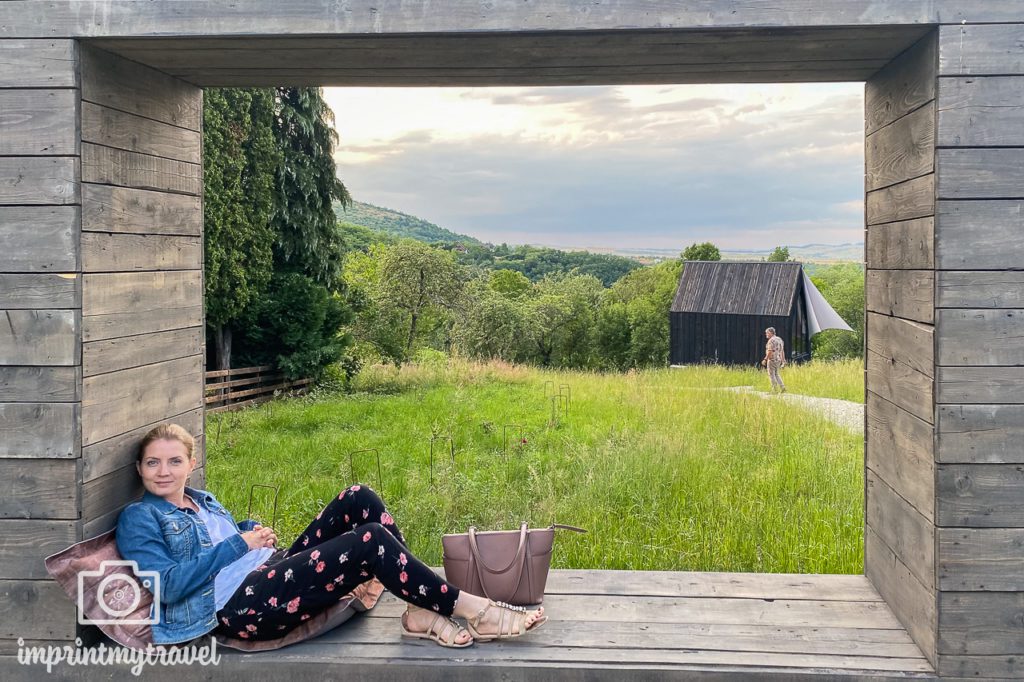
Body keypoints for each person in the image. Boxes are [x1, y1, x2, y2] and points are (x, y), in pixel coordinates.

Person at [115, 424, 545, 648]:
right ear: (139, 469)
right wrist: (237, 546)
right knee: (371, 541)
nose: (164, 472)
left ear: (190, 464)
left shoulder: (201, 499)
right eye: (153, 464)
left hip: (267, 571)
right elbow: (167, 587)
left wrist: (250, 533)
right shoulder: (139, 518)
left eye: (174, 461)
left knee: (358, 497)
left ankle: (418, 609)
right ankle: (474, 610)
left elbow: (224, 541)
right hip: (238, 607)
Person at [761, 327, 786, 393]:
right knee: (777, 374)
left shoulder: (771, 340)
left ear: (771, 333)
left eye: (767, 333)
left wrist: (765, 359)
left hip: (772, 359)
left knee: (771, 374)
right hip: (778, 360)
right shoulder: (779, 339)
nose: (766, 334)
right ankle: (782, 387)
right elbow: (782, 351)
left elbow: (770, 351)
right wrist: (783, 361)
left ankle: (774, 390)